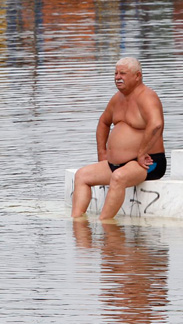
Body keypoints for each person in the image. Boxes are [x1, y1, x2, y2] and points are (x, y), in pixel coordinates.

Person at [71, 57, 166, 220]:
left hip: (148, 163)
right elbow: (103, 122)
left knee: (118, 177)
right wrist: (102, 153)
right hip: (117, 164)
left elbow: (156, 124)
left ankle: (105, 224)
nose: (117, 77)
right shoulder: (117, 99)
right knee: (82, 176)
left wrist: (142, 153)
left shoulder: (147, 97)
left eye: (123, 73)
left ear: (137, 76)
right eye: (115, 73)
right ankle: (77, 224)